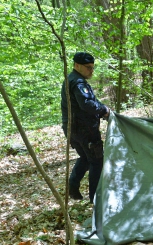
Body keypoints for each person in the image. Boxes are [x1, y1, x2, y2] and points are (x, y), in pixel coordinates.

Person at [61, 52, 110, 202]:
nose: (91, 71)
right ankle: (96, 199)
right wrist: (104, 110)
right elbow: (87, 104)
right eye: (88, 67)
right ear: (77, 66)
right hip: (85, 131)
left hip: (72, 129)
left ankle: (73, 186)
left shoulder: (71, 80)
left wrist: (101, 109)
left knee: (85, 157)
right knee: (96, 161)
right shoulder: (78, 83)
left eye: (92, 68)